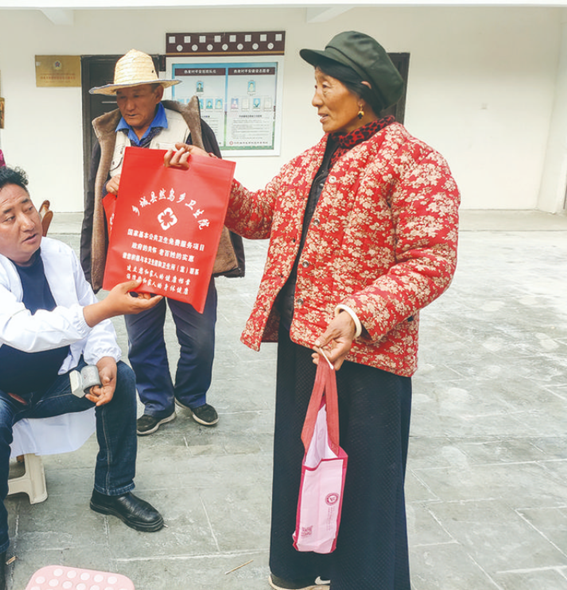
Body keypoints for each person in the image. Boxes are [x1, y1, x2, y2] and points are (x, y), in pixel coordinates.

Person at [164, 31, 460, 590]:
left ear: (363, 92)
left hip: (369, 358)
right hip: (306, 346)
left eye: (326, 86)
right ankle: (299, 566)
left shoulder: (415, 162)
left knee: (365, 481)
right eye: (315, 85)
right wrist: (204, 170)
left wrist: (359, 313)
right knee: (301, 463)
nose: (315, 98)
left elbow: (432, 261)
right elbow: (257, 215)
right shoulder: (308, 162)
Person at [0, 167, 165, 590]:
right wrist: (107, 307)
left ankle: (112, 490)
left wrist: (105, 356)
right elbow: (27, 332)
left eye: (28, 207)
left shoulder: (58, 255)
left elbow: (87, 313)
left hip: (52, 383)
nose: (27, 222)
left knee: (122, 379)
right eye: (9, 217)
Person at [81, 49, 244, 436]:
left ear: (158, 92)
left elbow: (217, 184)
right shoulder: (109, 137)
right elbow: (94, 196)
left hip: (186, 253)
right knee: (142, 339)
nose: (129, 105)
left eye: (138, 94)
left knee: (200, 337)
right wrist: (109, 189)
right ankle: (157, 403)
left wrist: (196, 164)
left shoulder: (188, 128)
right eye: (122, 96)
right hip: (136, 254)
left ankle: (192, 394)